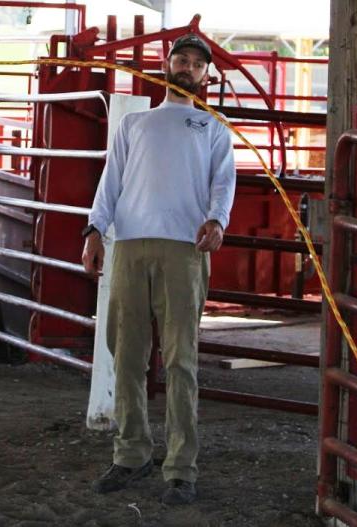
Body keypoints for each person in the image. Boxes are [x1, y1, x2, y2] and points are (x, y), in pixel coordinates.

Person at [81, 34, 236, 505]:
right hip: (128, 242)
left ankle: (181, 466)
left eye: (196, 64)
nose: (187, 68)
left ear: (207, 75)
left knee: (180, 359)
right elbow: (112, 179)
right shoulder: (135, 124)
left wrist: (217, 219)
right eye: (181, 60)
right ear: (166, 65)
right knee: (125, 353)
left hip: (185, 248)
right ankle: (131, 453)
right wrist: (94, 229)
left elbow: (223, 182)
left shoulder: (213, 128)